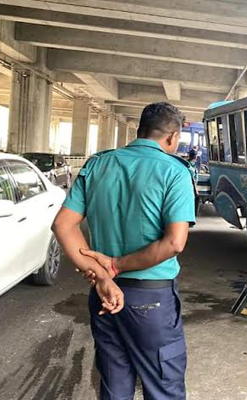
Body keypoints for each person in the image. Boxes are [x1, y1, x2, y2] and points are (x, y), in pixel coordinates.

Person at [52, 102, 196, 400]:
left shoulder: (97, 164)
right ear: (172, 137)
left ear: (140, 130)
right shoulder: (174, 171)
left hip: (104, 296)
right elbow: (174, 242)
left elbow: (63, 226)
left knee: (114, 385)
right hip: (151, 300)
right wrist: (115, 266)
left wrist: (102, 277)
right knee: (163, 388)